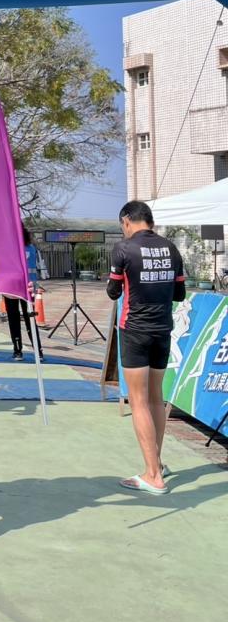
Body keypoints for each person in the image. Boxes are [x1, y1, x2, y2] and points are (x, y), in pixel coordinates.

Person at [107, 200, 185, 495]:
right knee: (155, 399)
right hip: (163, 329)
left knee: (138, 402)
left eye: (122, 226)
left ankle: (153, 475)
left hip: (135, 330)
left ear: (127, 221)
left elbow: (113, 290)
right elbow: (180, 293)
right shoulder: (171, 248)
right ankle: (157, 464)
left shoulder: (123, 249)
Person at [5, 223, 44, 361]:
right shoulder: (31, 248)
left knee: (14, 318)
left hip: (12, 287)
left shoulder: (10, 248)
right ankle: (38, 351)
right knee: (30, 319)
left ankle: (17, 351)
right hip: (28, 287)